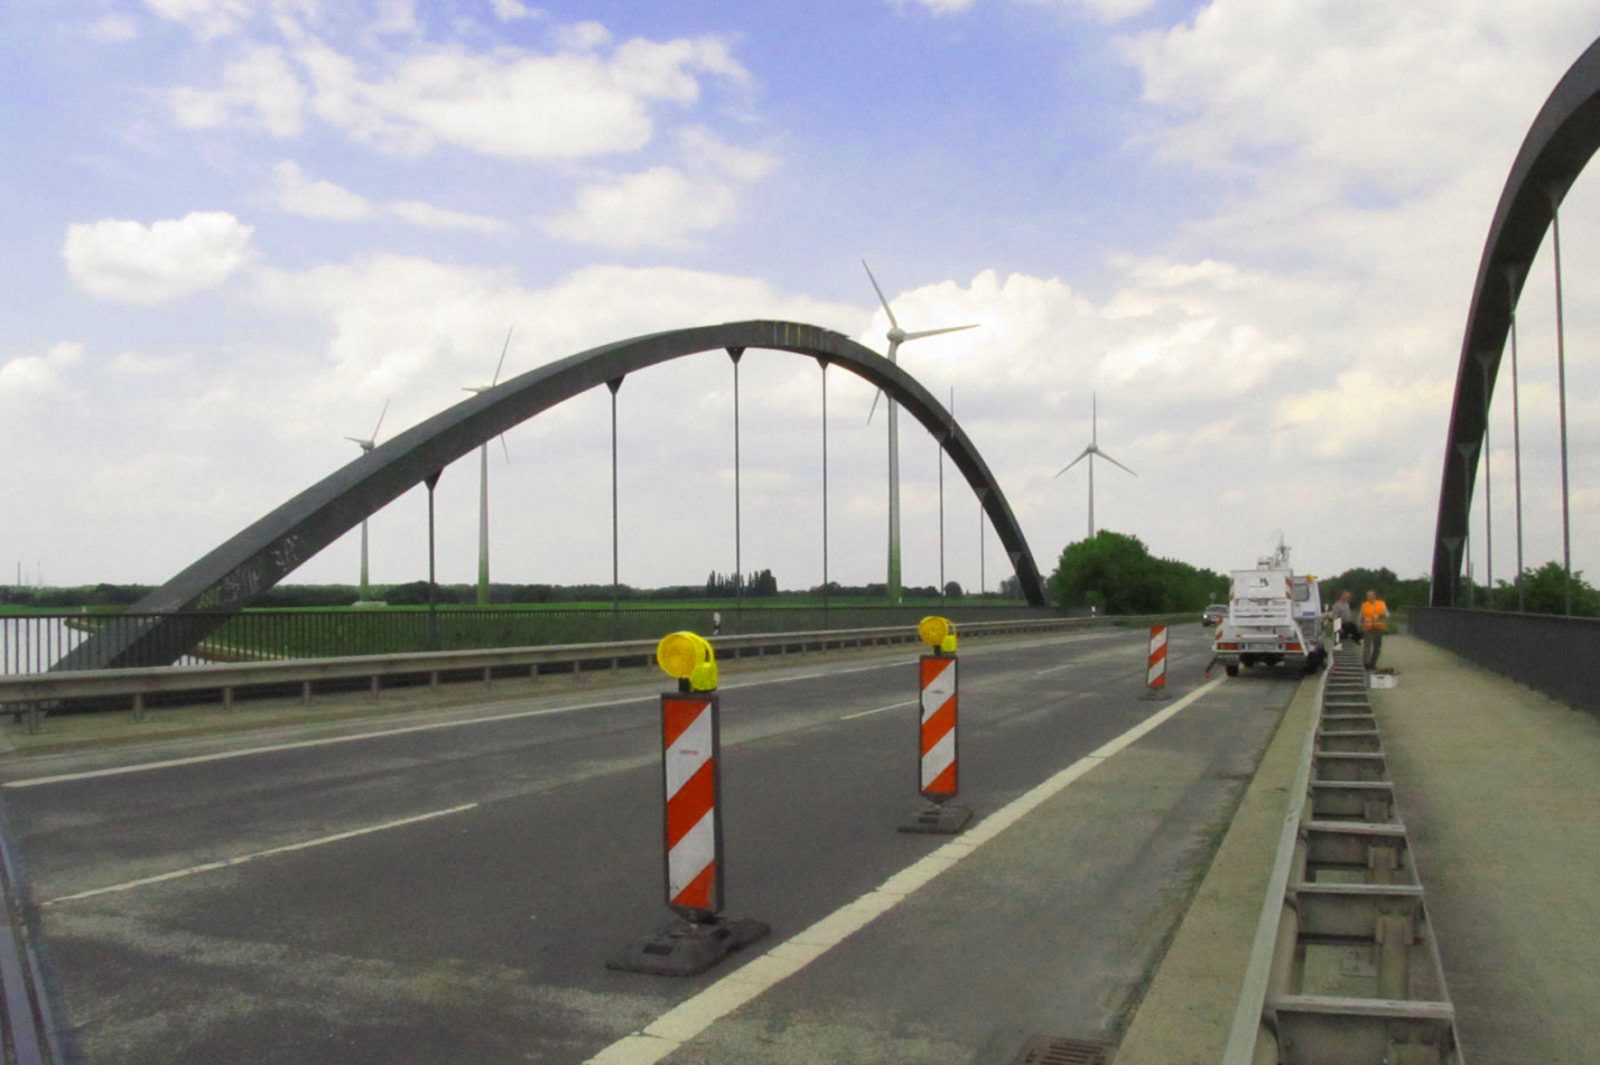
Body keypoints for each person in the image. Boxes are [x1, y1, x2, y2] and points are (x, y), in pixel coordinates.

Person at [1360, 589, 1389, 669]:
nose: (1369, 597)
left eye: (1371, 595)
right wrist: (1359, 626)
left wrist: (1379, 616)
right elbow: (1361, 616)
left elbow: (1387, 614)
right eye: (1368, 596)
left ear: (1374, 596)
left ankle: (1373, 663)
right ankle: (1366, 664)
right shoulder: (1364, 605)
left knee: (1377, 647)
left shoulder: (1381, 604)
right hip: (1367, 628)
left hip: (1378, 628)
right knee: (1367, 647)